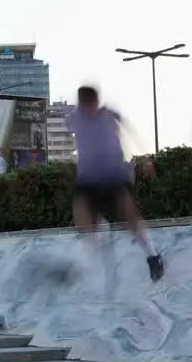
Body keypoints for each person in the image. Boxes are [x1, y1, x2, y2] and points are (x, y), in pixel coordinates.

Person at [65, 85, 164, 282]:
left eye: (90, 106)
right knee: (81, 209)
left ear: (96, 103)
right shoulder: (73, 118)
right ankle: (90, 249)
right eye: (84, 107)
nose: (88, 112)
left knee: (127, 211)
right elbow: (71, 138)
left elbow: (132, 134)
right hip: (88, 177)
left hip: (114, 174)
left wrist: (145, 160)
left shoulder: (109, 114)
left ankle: (153, 256)